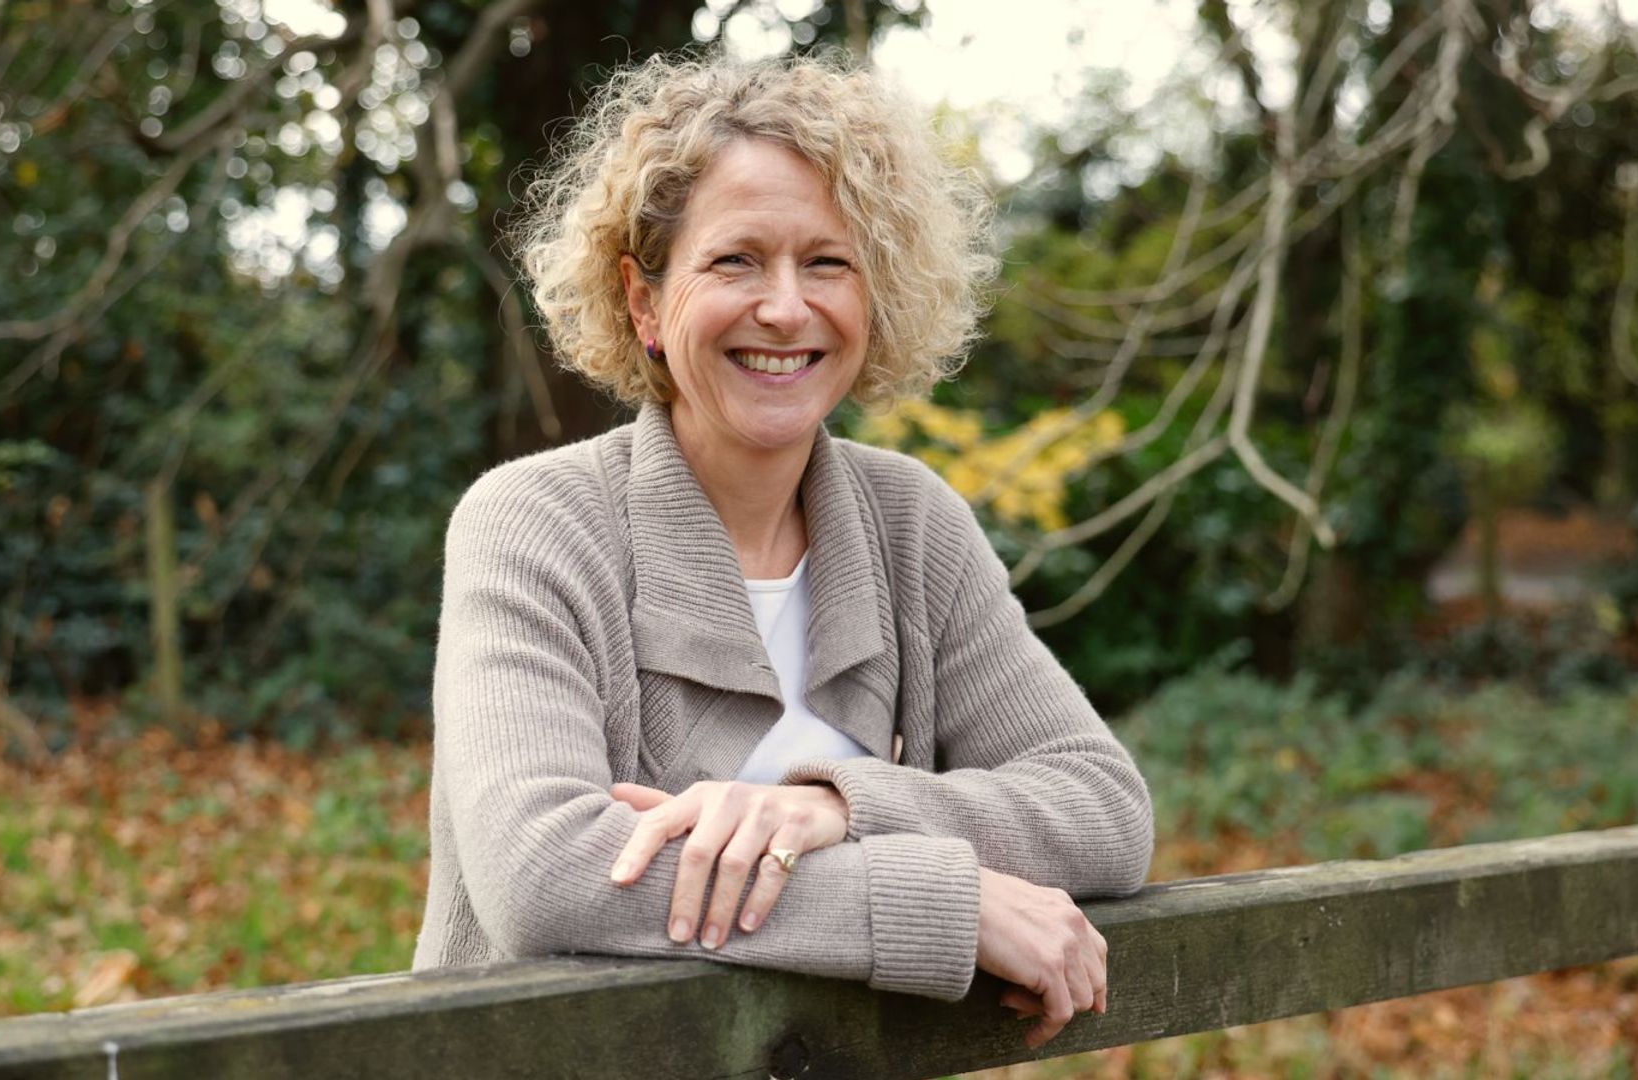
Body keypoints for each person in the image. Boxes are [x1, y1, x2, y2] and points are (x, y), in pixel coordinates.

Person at [409, 50, 1154, 1050]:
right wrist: (945, 902)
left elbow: (1101, 807)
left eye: (828, 262)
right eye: (735, 260)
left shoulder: (912, 525)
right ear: (643, 301)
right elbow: (546, 874)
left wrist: (835, 808)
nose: (786, 308)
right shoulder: (532, 522)